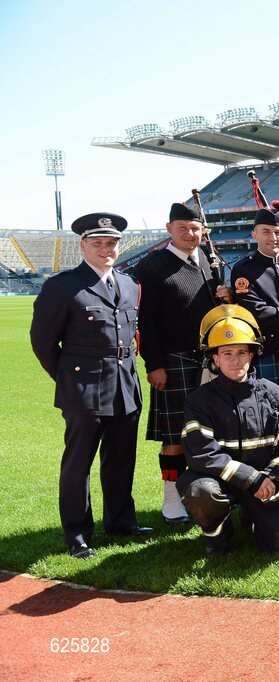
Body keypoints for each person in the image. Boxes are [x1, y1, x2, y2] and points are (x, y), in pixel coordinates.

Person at [30, 213, 152, 559]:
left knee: (120, 459)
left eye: (111, 243)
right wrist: (68, 380)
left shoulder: (129, 285)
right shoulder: (63, 286)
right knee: (78, 464)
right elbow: (42, 341)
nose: (105, 249)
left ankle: (120, 521)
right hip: (83, 388)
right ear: (82, 245)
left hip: (125, 384)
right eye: (97, 242)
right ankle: (77, 534)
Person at [132, 202, 232, 524]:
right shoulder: (153, 266)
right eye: (183, 228)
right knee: (174, 436)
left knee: (211, 432)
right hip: (173, 362)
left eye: (195, 228)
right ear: (169, 229)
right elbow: (145, 321)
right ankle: (172, 499)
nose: (190, 234)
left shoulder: (207, 261)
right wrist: (154, 365)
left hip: (210, 360)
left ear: (203, 231)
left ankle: (204, 494)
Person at [178, 305, 279, 555]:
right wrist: (250, 478)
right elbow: (201, 453)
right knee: (202, 493)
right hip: (218, 481)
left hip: (265, 480)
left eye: (241, 352)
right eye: (227, 353)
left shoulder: (273, 392)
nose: (235, 360)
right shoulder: (200, 400)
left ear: (251, 355)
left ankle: (252, 518)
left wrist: (273, 477)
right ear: (215, 358)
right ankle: (217, 536)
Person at [230, 204, 279, 396]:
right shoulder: (244, 269)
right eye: (266, 231)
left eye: (278, 232)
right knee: (270, 405)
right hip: (269, 348)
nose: (273, 237)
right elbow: (255, 310)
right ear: (255, 234)